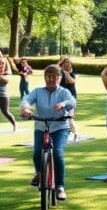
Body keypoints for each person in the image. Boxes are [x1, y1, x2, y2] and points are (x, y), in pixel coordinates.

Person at [20, 64, 76, 201]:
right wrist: (25, 109)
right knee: (37, 151)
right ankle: (39, 173)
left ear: (59, 77)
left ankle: (60, 187)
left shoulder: (64, 92)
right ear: (44, 77)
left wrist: (63, 104)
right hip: (41, 125)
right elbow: (26, 99)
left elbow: (72, 101)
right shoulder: (38, 91)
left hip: (60, 127)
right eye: (48, 76)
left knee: (57, 153)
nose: (51, 79)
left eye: (54, 76)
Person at [59, 56, 79, 141]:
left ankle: (75, 134)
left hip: (71, 98)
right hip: (60, 98)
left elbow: (71, 81)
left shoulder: (73, 72)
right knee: (60, 117)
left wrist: (65, 72)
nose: (67, 65)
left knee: (70, 117)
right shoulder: (59, 73)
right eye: (65, 63)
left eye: (69, 63)